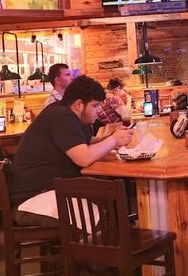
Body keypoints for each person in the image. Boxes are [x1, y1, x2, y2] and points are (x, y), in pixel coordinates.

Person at [9, 75, 135, 227]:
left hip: (54, 189)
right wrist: (114, 140)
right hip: (33, 198)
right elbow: (84, 158)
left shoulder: (72, 117)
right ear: (79, 104)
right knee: (98, 218)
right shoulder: (60, 116)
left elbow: (87, 144)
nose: (98, 111)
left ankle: (115, 239)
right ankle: (101, 246)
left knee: (109, 197)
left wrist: (109, 137)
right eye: (95, 106)